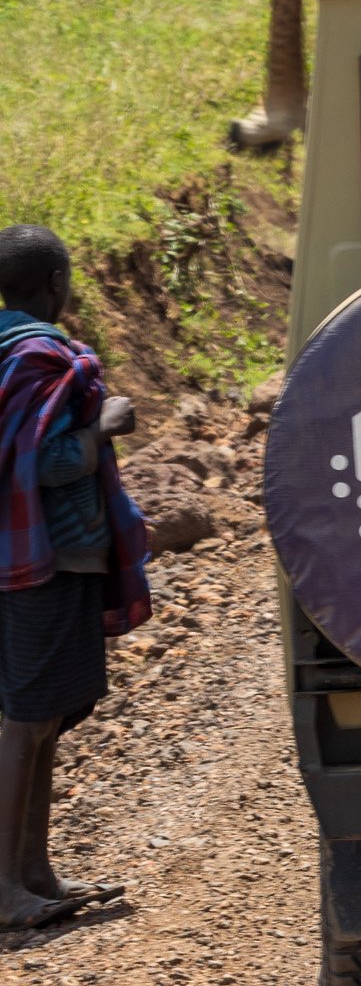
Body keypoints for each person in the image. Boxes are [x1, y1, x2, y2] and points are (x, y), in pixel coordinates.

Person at [0, 225, 150, 931]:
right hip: (44, 563)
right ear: (57, 280)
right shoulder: (38, 356)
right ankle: (6, 889)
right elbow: (51, 464)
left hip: (23, 561)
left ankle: (36, 873)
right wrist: (105, 426)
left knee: (45, 719)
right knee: (27, 723)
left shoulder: (9, 352)